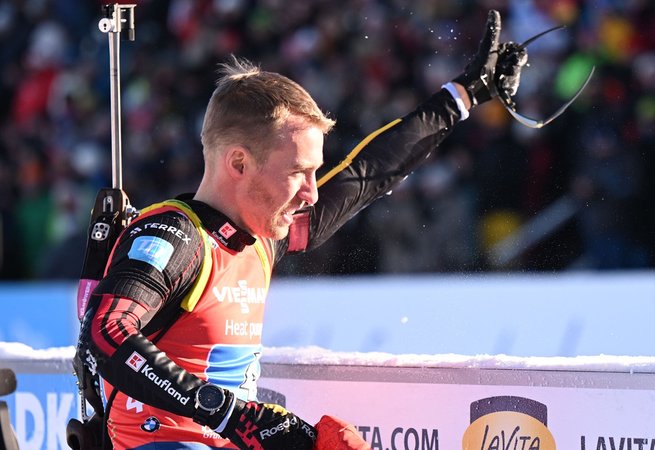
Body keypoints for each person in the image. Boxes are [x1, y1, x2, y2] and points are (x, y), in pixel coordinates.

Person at [71, 9, 527, 450]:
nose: (311, 193)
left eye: (314, 172)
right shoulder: (176, 236)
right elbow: (108, 332)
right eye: (297, 172)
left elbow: (367, 174)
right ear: (238, 163)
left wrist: (461, 96)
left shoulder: (264, 236)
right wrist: (230, 413)